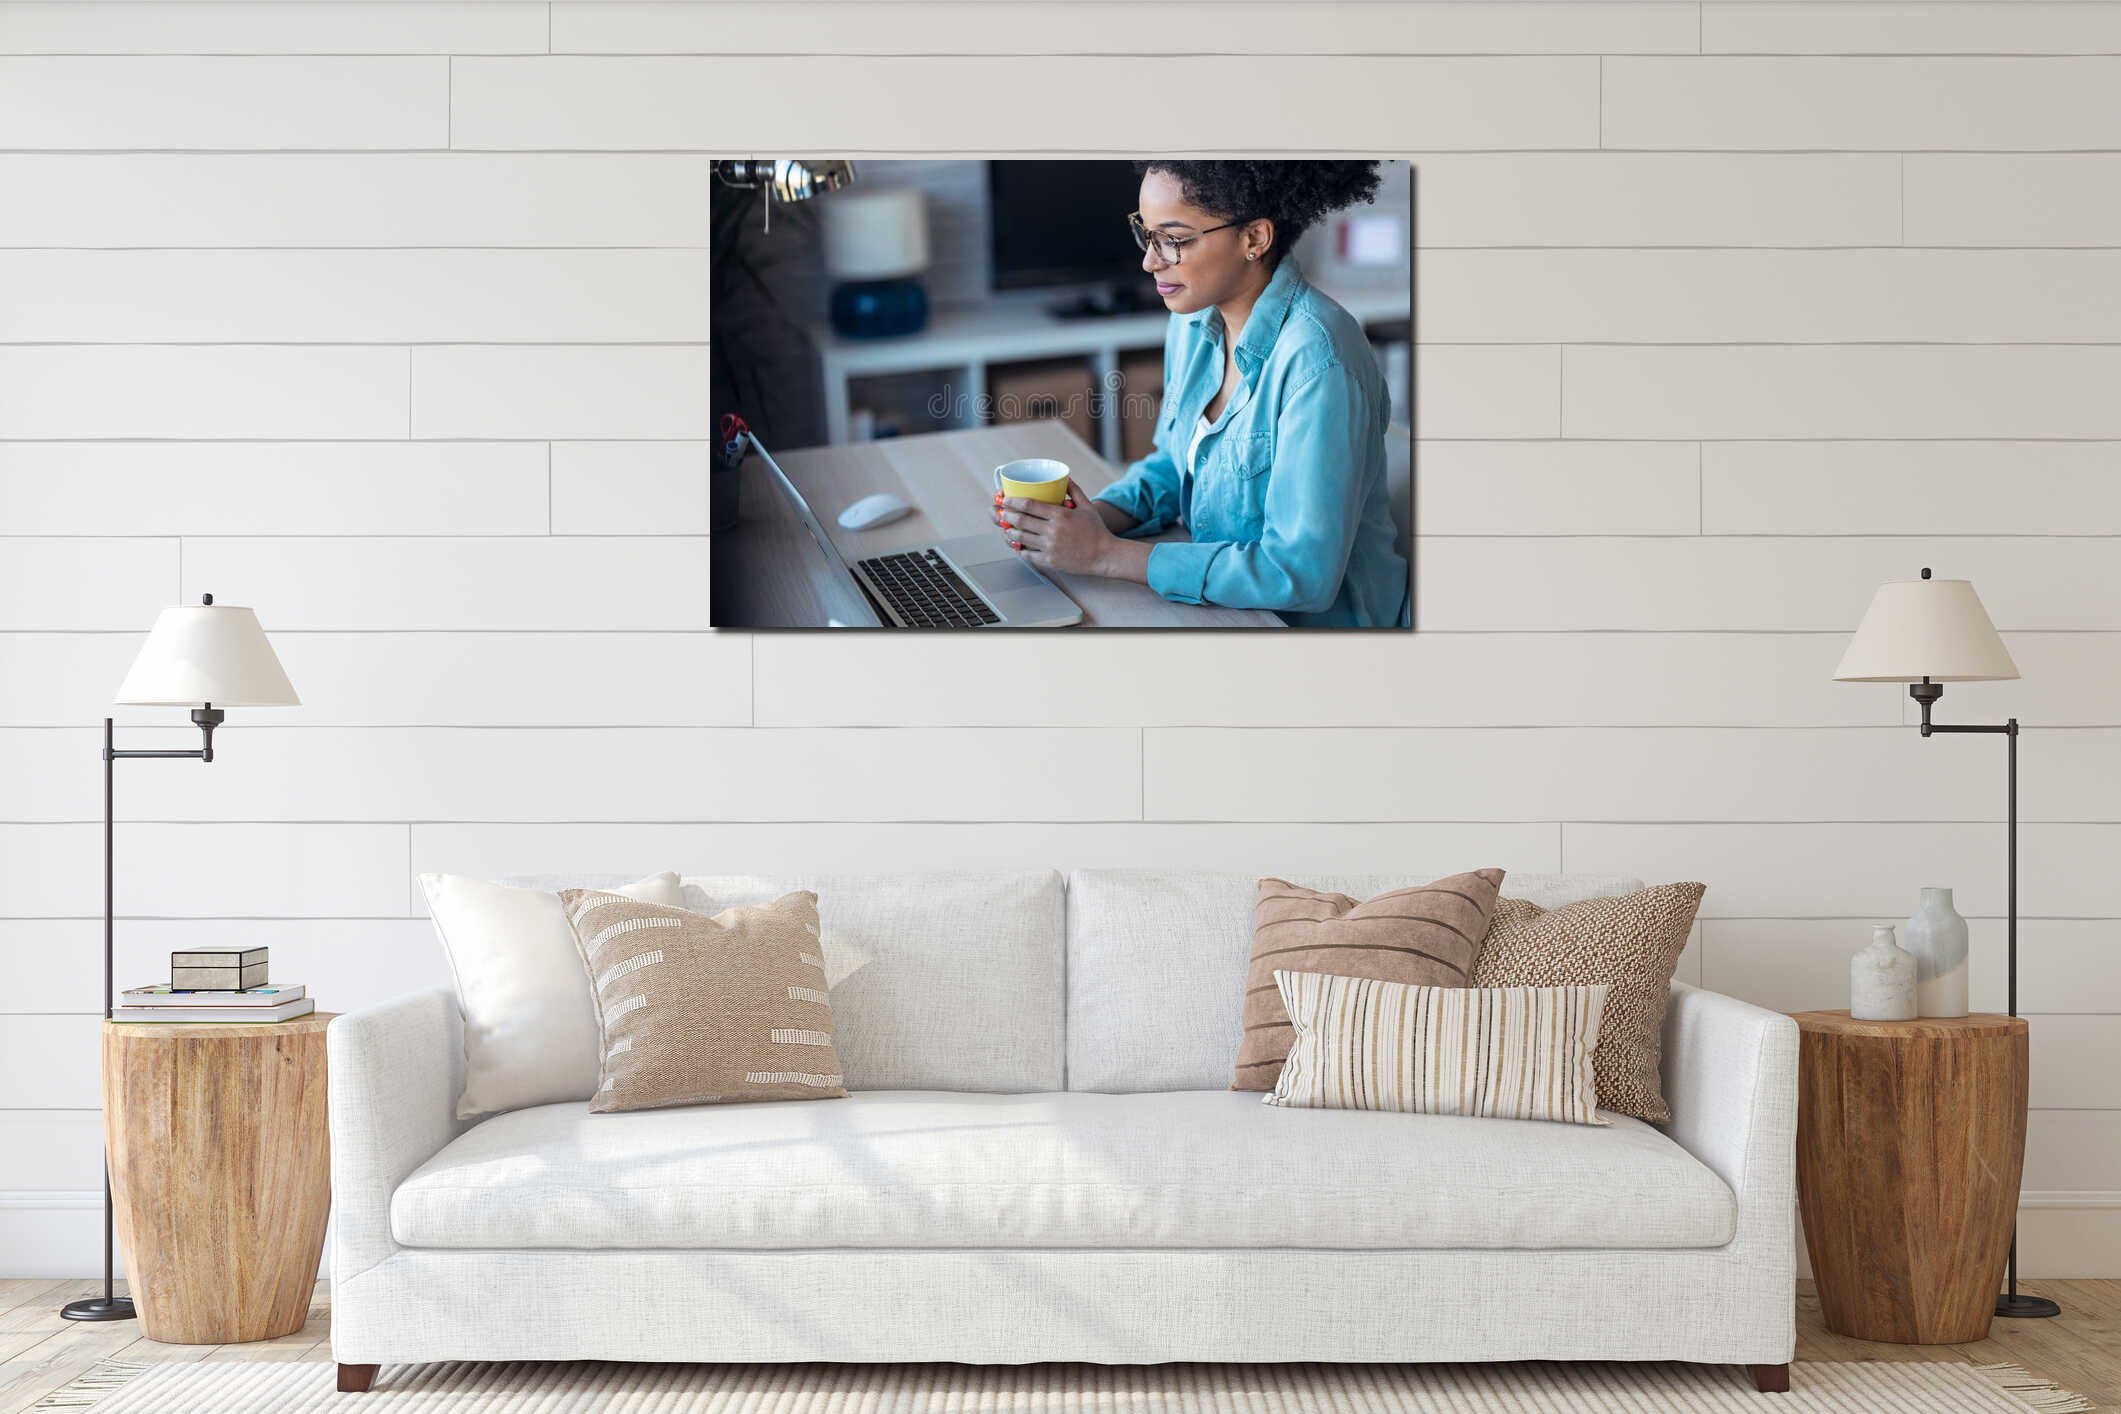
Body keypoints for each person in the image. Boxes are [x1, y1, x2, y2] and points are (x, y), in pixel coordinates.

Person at [993, 160, 1409, 628]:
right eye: (1146, 233)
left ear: (1254, 238)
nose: (1149, 261)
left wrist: (1107, 556)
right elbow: (1178, 463)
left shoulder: (1320, 362)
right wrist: (1081, 525)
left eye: (1174, 239)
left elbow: (1301, 575)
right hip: (1231, 611)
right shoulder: (1192, 320)